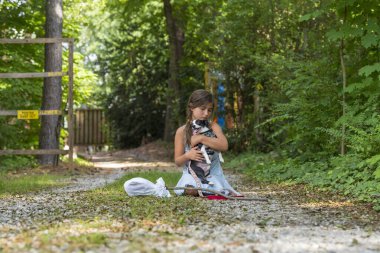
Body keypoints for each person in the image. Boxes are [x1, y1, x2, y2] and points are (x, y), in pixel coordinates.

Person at [174, 89, 240, 197]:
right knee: (190, 189)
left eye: (209, 110)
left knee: (216, 189)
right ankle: (195, 190)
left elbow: (224, 146)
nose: (206, 114)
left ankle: (207, 189)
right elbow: (177, 161)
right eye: (202, 109)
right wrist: (188, 155)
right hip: (191, 175)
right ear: (191, 107)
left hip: (212, 175)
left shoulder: (213, 127)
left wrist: (201, 138)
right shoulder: (182, 131)